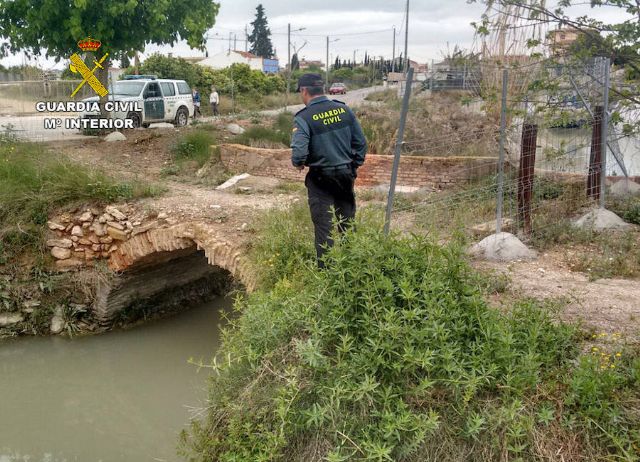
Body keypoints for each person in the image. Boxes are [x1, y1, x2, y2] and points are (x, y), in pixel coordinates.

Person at [291, 73, 367, 268]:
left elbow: (299, 153)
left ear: (304, 91)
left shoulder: (304, 117)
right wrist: (353, 166)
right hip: (345, 176)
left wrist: (299, 163)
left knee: (324, 228)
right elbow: (360, 143)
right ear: (323, 89)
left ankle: (327, 275)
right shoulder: (343, 110)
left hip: (320, 179)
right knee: (347, 222)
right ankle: (354, 266)